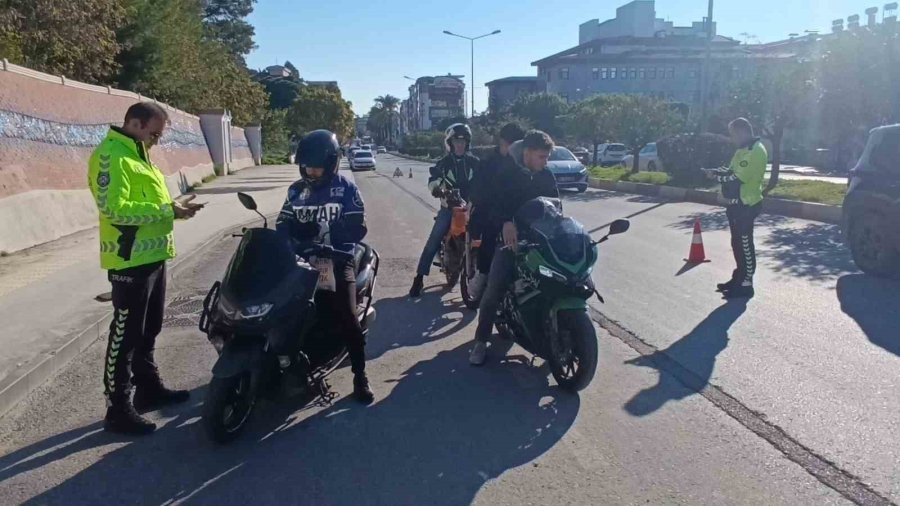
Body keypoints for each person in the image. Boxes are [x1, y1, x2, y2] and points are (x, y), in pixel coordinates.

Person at [88, 102, 205, 435]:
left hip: (153, 257)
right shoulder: (111, 156)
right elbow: (115, 210)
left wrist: (174, 208)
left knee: (149, 328)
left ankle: (148, 389)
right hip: (129, 261)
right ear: (135, 123)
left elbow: (149, 205)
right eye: (154, 133)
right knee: (124, 336)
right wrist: (169, 212)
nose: (156, 140)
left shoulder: (138, 154)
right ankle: (117, 408)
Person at [276, 129, 375, 403]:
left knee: (347, 315)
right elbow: (282, 222)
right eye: (306, 167)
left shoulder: (346, 189)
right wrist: (287, 235)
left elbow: (358, 226)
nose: (311, 173)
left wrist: (328, 230)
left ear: (331, 165)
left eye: (317, 168)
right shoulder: (296, 190)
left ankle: (360, 375)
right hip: (300, 260)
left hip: (336, 259)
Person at [469, 130, 559, 365]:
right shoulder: (506, 172)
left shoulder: (546, 175)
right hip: (510, 241)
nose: (545, 161)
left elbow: (556, 208)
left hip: (540, 242)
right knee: (494, 288)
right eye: (541, 157)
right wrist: (506, 221)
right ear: (528, 153)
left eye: (546, 157)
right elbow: (494, 205)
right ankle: (480, 341)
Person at [408, 123, 480, 297]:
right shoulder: (443, 163)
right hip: (450, 209)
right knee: (434, 240)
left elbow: (484, 182)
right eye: (456, 140)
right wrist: (438, 189)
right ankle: (419, 278)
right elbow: (434, 179)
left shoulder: (475, 163)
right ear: (451, 142)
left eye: (463, 140)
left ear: (468, 142)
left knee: (487, 238)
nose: (460, 144)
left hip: (471, 208)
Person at [707, 117, 768, 299]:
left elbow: (737, 179)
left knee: (745, 245)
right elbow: (731, 171)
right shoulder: (741, 150)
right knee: (737, 243)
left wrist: (716, 178)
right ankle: (739, 277)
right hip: (736, 205)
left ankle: (746, 284)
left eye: (733, 134)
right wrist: (717, 172)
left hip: (747, 204)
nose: (731, 138)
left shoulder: (755, 150)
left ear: (742, 132)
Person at [467, 122, 526, 300]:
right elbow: (476, 189)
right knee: (490, 237)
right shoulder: (488, 162)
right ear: (502, 141)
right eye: (510, 143)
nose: (514, 148)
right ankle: (482, 275)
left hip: (517, 212)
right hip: (489, 211)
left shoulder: (523, 163)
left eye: (518, 144)